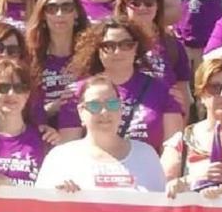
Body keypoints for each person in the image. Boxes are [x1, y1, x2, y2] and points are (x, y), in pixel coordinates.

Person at [58, 17, 184, 151]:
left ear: (136, 48)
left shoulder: (162, 90)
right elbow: (69, 148)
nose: (118, 52)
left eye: (126, 44)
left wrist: (165, 171)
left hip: (148, 168)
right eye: (109, 46)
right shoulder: (78, 92)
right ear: (97, 49)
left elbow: (172, 148)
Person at [35, 75, 167, 192]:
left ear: (121, 109)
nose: (104, 112)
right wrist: (59, 197)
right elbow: (40, 209)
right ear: (81, 112)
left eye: (112, 104)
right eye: (94, 105)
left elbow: (164, 209)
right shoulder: (60, 158)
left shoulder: (146, 155)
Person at [163, 59, 222, 194]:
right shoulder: (181, 142)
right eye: (215, 88)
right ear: (201, 95)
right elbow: (161, 187)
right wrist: (195, 179)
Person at [116, 0, 191, 107]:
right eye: (135, 3)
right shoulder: (114, 44)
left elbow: (183, 94)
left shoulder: (172, 45)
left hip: (166, 119)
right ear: (124, 6)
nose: (143, 7)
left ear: (158, 5)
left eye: (149, 2)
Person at [0, 59, 46, 186]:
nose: (11, 93)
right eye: (3, 87)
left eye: (19, 88)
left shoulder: (44, 139)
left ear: (27, 95)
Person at [27, 0, 87, 125]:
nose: (59, 14)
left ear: (77, 12)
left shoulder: (92, 55)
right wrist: (58, 105)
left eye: (66, 7)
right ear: (43, 15)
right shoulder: (30, 58)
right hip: (43, 135)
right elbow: (25, 112)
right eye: (52, 8)